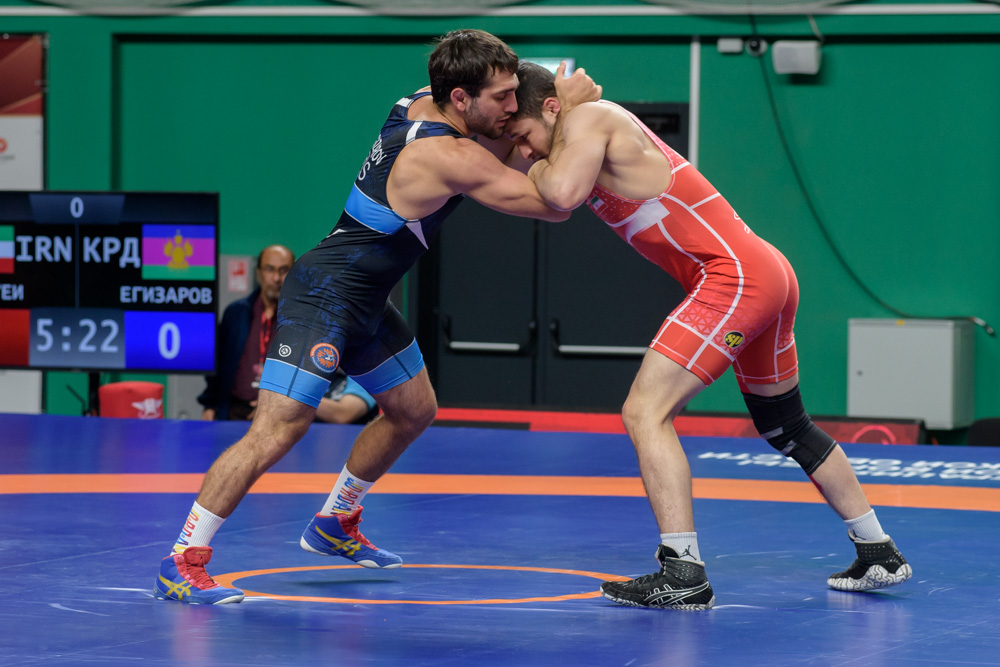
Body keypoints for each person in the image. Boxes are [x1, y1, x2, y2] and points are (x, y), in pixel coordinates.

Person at [153, 30, 601, 605]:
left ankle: (335, 521)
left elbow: (510, 123)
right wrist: (572, 117)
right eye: (502, 98)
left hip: (365, 299)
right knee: (278, 429)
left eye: (516, 94)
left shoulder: (420, 100)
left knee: (414, 410)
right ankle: (181, 558)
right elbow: (555, 204)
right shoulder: (447, 156)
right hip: (323, 296)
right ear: (460, 98)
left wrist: (539, 108)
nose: (512, 108)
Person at [503, 62, 911, 610]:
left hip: (734, 279)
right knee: (786, 426)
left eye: (523, 134)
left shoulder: (588, 118)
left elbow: (559, 192)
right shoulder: (574, 135)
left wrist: (557, 131)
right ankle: (878, 550)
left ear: (552, 107)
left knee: (645, 412)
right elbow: (536, 181)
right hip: (762, 271)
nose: (525, 150)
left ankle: (683, 571)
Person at [197, 243, 376, 425]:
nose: (276, 278)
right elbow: (220, 362)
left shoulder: (310, 316)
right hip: (235, 412)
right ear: (258, 273)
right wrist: (210, 405)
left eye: (284, 270)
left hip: (284, 414)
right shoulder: (236, 313)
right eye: (269, 269)